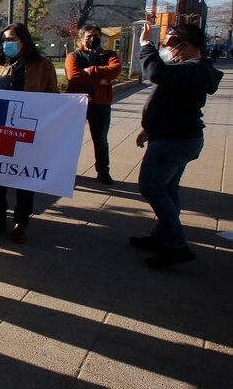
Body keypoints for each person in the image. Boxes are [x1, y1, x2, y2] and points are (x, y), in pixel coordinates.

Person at [130, 23, 223, 268]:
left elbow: (156, 74)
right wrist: (149, 128)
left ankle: (176, 245)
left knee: (152, 188)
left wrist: (146, 44)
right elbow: (171, 104)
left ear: (187, 44)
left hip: (174, 142)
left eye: (171, 43)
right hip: (173, 136)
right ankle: (162, 236)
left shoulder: (194, 69)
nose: (167, 48)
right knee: (168, 189)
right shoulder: (190, 70)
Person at [0, 23, 58, 244]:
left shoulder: (42, 65)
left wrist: (74, 105)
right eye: (4, 39)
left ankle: (21, 222)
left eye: (12, 39)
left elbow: (53, 96)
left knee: (24, 177)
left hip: (25, 130)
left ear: (24, 40)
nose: (7, 44)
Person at [65, 25, 122, 185]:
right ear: (82, 38)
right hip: (78, 103)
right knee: (71, 139)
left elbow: (114, 70)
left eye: (96, 35)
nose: (92, 38)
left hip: (100, 104)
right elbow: (74, 76)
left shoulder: (109, 55)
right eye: (89, 35)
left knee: (101, 140)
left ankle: (103, 172)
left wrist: (89, 70)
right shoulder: (74, 55)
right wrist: (100, 80)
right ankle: (66, 169)